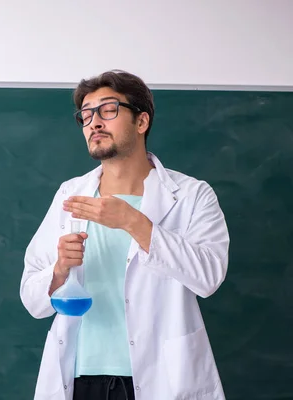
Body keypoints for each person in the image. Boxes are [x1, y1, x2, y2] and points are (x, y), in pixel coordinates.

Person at [19, 70, 229, 400]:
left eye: (108, 110)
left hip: (162, 377)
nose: (94, 122)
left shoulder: (191, 195)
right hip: (80, 379)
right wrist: (59, 270)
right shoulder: (70, 195)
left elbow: (209, 277)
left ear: (141, 121)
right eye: (86, 115)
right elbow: (32, 300)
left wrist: (135, 222)